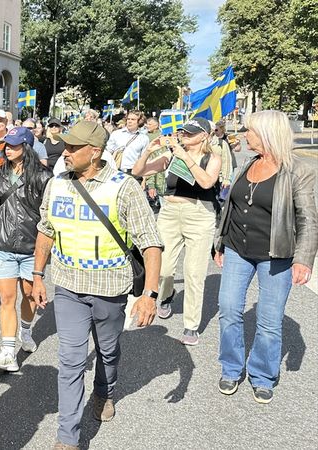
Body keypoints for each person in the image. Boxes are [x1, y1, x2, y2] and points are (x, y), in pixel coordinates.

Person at [31, 120, 163, 450]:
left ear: (95, 153)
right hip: (68, 288)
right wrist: (36, 275)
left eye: (73, 148)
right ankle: (68, 437)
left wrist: (149, 294)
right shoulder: (56, 184)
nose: (65, 152)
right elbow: (46, 230)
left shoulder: (124, 187)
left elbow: (151, 243)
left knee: (107, 351)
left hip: (110, 290)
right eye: (66, 146)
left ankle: (104, 391)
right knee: (71, 361)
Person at [213, 110, 317, 404]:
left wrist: (303, 259)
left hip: (276, 255)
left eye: (251, 132)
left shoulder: (297, 171)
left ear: (269, 135)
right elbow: (230, 207)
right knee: (229, 309)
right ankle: (232, 368)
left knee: (269, 321)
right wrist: (219, 243)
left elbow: (308, 219)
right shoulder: (247, 164)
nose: (245, 136)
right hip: (237, 248)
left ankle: (262, 375)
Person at [132, 117, 222, 345]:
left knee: (194, 272)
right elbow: (138, 170)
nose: (184, 136)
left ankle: (191, 326)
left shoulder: (212, 157)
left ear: (204, 136)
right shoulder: (171, 155)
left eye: (190, 133)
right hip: (170, 211)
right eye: (183, 133)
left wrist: (187, 158)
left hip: (199, 214)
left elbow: (206, 183)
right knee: (163, 267)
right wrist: (148, 150)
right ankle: (166, 295)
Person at [0, 127, 51, 372]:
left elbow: (49, 216)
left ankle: (26, 331)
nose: (8, 149)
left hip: (31, 249)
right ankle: (7, 353)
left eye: (14, 145)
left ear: (27, 148)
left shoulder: (44, 177)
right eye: (7, 145)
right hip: (3, 248)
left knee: (30, 296)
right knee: (6, 298)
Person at [105, 110, 148, 175]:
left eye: (133, 119)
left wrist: (144, 178)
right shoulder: (116, 134)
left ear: (139, 121)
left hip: (134, 173)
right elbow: (108, 152)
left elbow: (144, 159)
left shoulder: (143, 138)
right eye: (128, 119)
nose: (129, 121)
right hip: (116, 171)